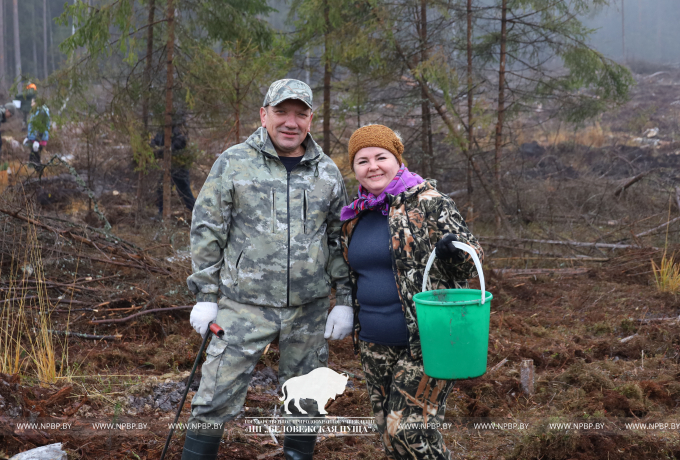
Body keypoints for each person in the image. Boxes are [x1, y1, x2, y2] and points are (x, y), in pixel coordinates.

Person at [184, 79, 353, 460]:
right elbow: (207, 228)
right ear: (264, 115)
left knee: (306, 404)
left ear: (311, 119)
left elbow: (338, 239)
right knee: (212, 399)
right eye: (281, 112)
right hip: (243, 308)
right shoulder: (233, 162)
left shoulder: (327, 172)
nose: (291, 122)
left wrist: (344, 300)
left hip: (308, 311)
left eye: (300, 114)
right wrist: (206, 296)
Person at [339, 125, 483, 460]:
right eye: (362, 160)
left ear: (397, 159)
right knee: (393, 442)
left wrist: (454, 252)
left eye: (381, 157)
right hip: (375, 343)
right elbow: (350, 271)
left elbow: (471, 261)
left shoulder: (430, 203)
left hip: (427, 340)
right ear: (354, 168)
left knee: (408, 434)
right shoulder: (355, 216)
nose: (372, 166)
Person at [150, 124, 196, 213]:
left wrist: (161, 152)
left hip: (179, 167)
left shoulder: (177, 130)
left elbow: (177, 145)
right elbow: (155, 141)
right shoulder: (162, 131)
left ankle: (197, 214)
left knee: (184, 191)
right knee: (161, 189)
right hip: (168, 166)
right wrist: (151, 147)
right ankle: (162, 213)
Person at [23, 98, 51, 173]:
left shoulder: (42, 112)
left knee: (35, 157)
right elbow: (33, 127)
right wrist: (28, 137)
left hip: (39, 139)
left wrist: (37, 141)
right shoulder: (36, 112)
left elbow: (41, 127)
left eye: (33, 103)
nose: (31, 104)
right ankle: (35, 174)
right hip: (34, 138)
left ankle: (38, 174)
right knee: (34, 157)